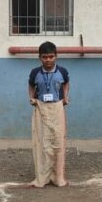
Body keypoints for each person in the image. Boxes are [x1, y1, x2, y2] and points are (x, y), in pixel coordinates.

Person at [28, 41, 70, 187]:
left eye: (51, 57)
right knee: (42, 143)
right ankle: (42, 177)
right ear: (40, 57)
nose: (48, 60)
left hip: (57, 108)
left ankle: (58, 177)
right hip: (41, 108)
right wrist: (31, 98)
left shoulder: (62, 71)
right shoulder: (35, 72)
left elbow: (66, 83)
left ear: (56, 56)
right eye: (44, 57)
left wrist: (66, 97)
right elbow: (31, 85)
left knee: (58, 142)